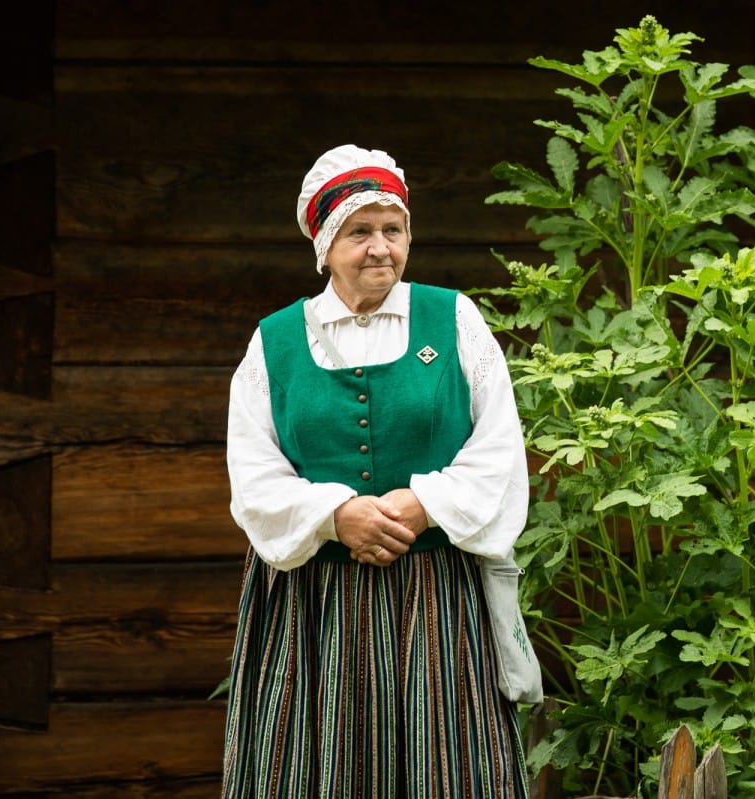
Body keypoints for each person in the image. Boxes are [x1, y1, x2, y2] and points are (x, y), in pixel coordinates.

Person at [221, 144, 537, 797]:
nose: (379, 248)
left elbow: (499, 447)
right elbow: (253, 469)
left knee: (444, 767)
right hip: (314, 605)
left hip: (436, 597)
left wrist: (424, 504)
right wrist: (335, 515)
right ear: (325, 245)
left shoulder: (454, 320)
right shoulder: (274, 342)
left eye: (393, 230)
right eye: (359, 232)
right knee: (313, 769)